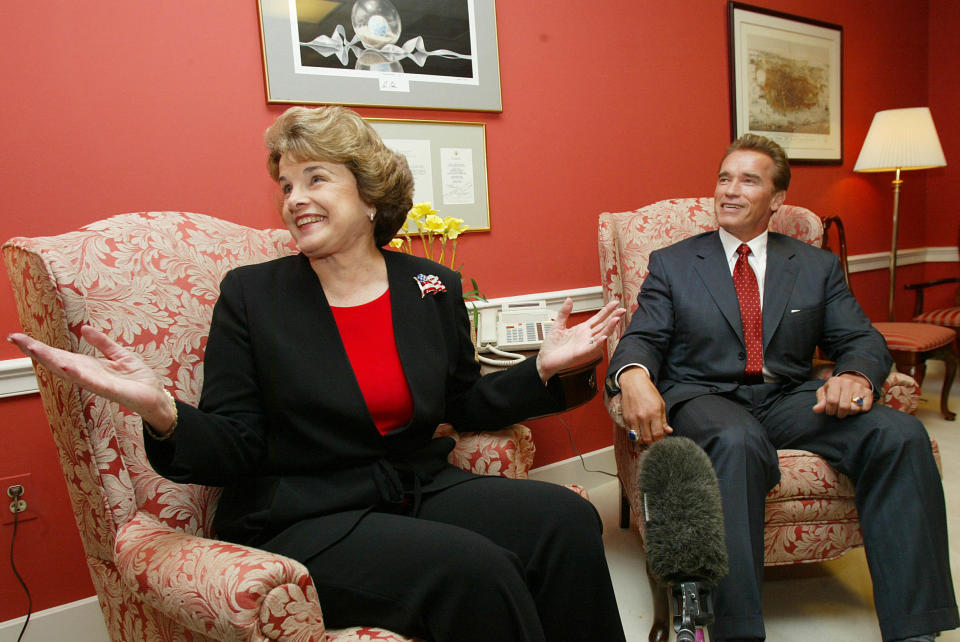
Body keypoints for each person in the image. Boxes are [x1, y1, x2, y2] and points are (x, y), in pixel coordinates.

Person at [8, 105, 628, 642]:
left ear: (369, 194)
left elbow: (462, 402)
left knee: (568, 520)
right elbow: (239, 441)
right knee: (475, 570)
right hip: (306, 513)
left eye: (316, 178)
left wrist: (542, 368)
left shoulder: (426, 283)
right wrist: (165, 413)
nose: (294, 198)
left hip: (414, 484)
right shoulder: (253, 295)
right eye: (285, 185)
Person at [606, 133, 959, 642]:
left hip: (787, 396)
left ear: (777, 200)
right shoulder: (675, 262)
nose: (729, 190)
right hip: (706, 397)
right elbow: (643, 337)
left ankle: (916, 628)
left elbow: (860, 338)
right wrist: (634, 375)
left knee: (900, 434)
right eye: (723, 178)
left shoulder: (813, 266)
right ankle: (735, 630)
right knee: (737, 440)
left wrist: (855, 374)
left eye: (748, 180)